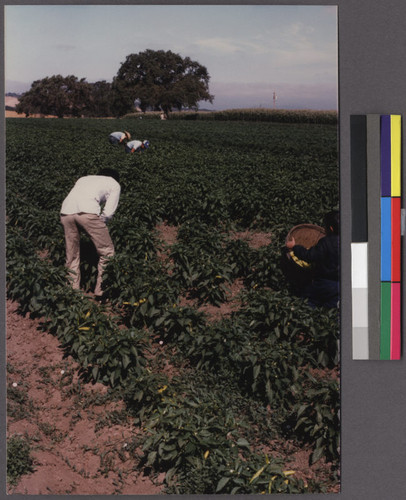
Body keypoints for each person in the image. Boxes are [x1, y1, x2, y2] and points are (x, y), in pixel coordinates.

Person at [60, 168, 121, 298]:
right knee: (107, 252)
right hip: (88, 212)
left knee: (72, 254)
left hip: (66, 212)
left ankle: (72, 291)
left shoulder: (83, 178)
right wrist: (100, 223)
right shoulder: (114, 183)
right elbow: (109, 212)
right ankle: (101, 290)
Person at [286, 210, 340, 308]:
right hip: (340, 284)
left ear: (331, 228)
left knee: (309, 301)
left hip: (323, 282)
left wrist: (295, 247)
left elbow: (310, 256)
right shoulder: (348, 243)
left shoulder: (325, 242)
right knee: (332, 307)